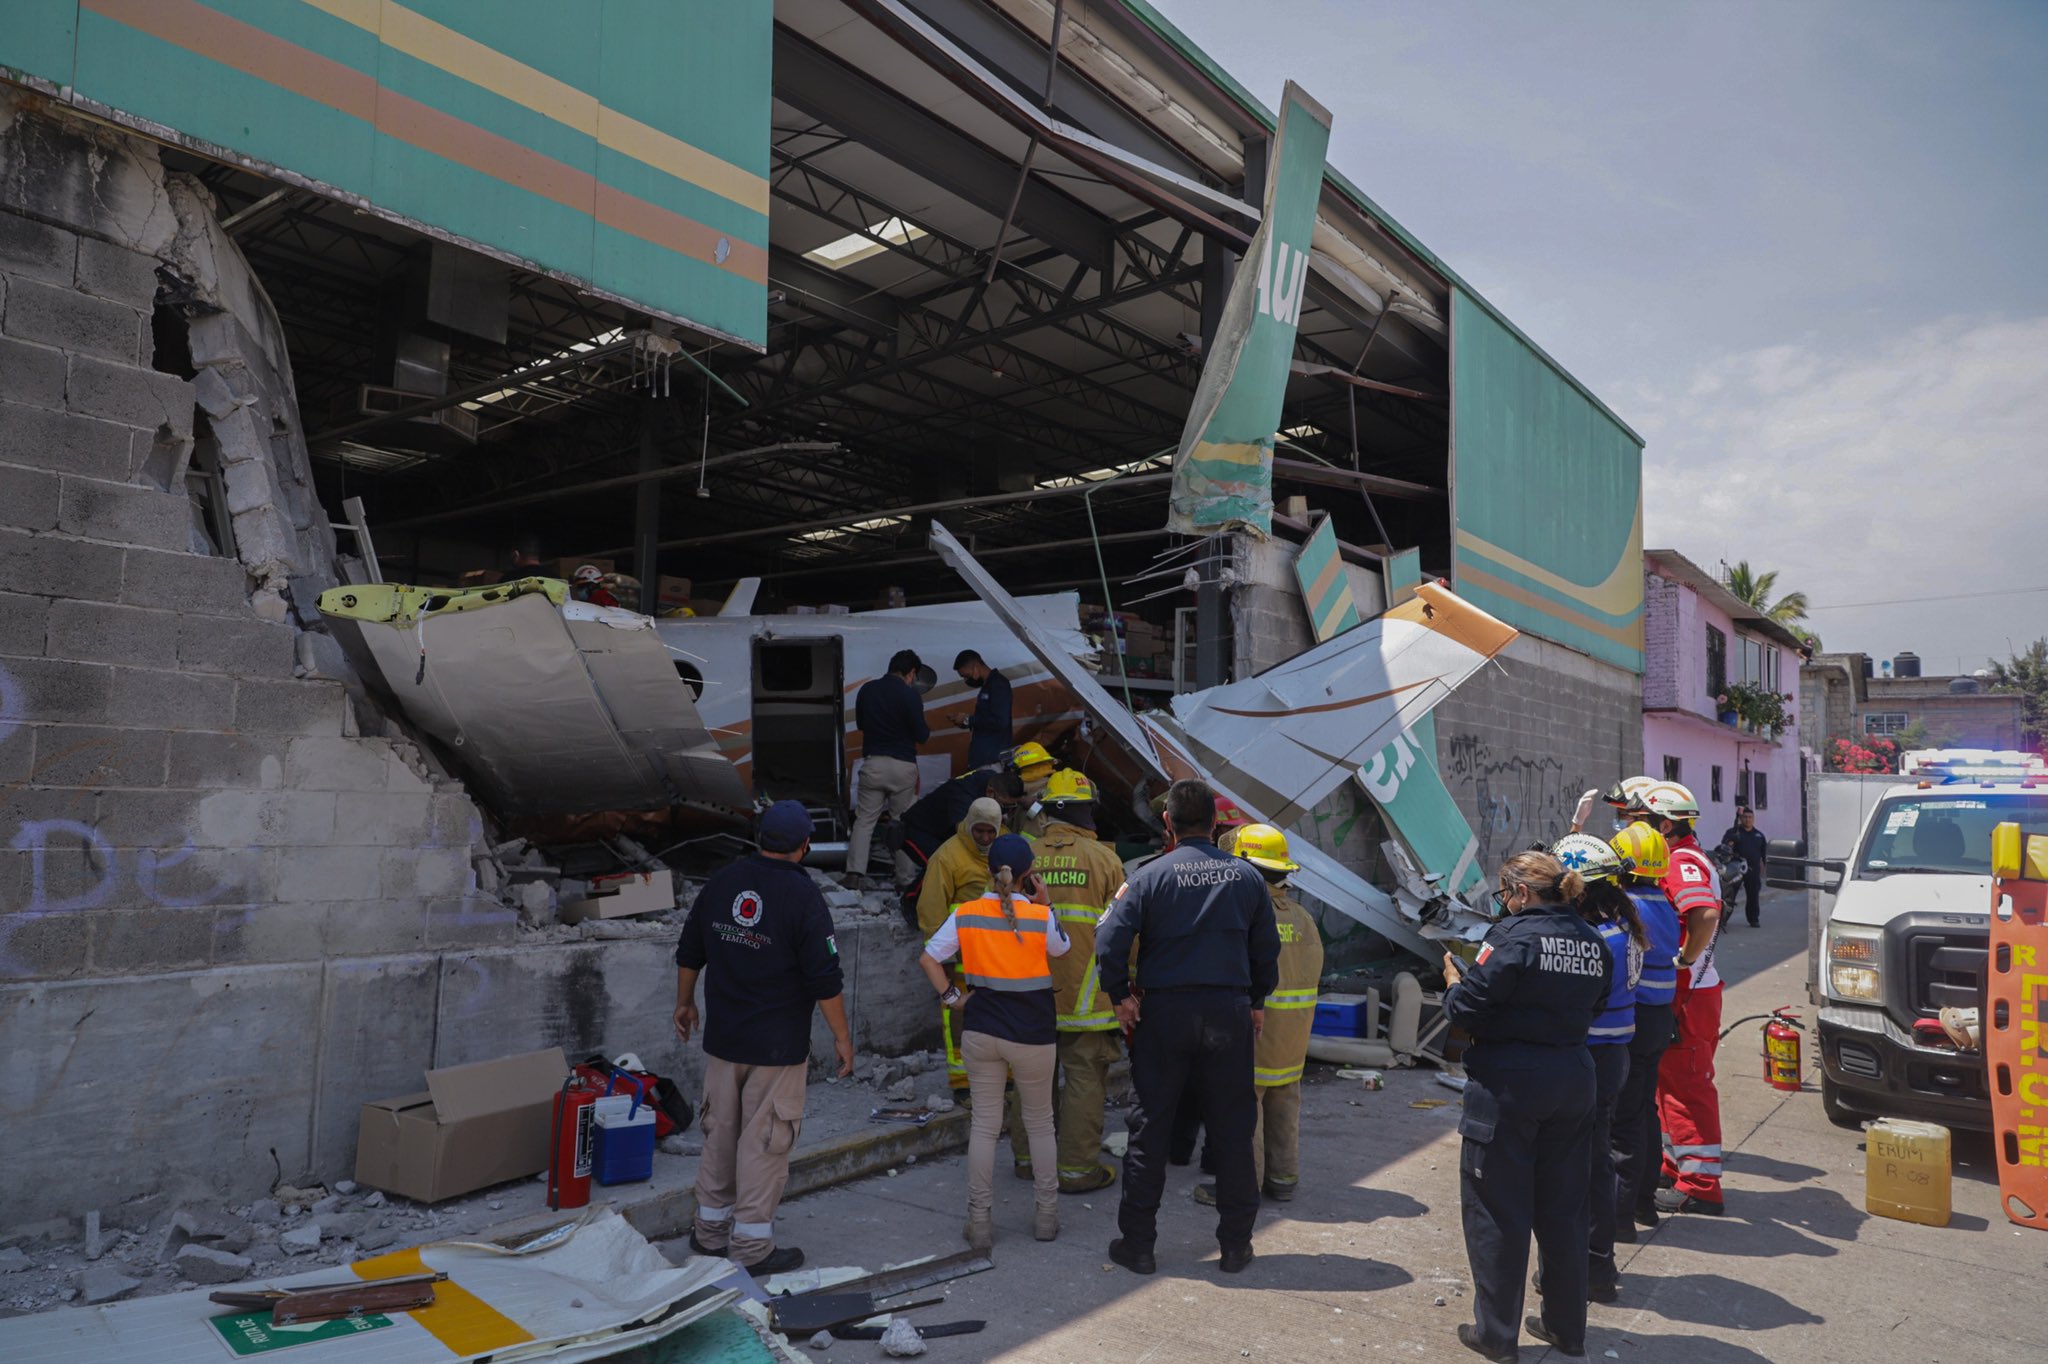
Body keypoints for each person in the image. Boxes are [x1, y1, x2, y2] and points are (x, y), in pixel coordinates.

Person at [1096, 779, 1280, 1277]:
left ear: (1167, 824)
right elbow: (1267, 951)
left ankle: (1138, 1245)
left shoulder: (1148, 876)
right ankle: (1236, 1246)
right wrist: (1256, 1000)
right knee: (1233, 1131)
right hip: (1228, 1013)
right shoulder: (1247, 879)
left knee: (1149, 1129)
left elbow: (1108, 939)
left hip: (1165, 1015)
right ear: (1216, 825)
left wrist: (1120, 997)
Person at [1442, 851, 1613, 1363]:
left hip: (1511, 1084)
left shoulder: (1512, 936)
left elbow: (1468, 1007)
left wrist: (1454, 980)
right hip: (1573, 1077)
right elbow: (1596, 1004)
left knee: (1497, 1208)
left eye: (1505, 893)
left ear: (1520, 892)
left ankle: (1496, 1334)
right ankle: (1566, 1329)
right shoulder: (1591, 939)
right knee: (1564, 1209)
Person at [673, 801, 854, 1274]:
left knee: (719, 1137)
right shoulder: (804, 897)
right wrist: (842, 1037)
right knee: (765, 1144)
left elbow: (690, 949)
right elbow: (825, 977)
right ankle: (753, 1249)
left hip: (724, 1040)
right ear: (804, 846)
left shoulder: (722, 882)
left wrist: (685, 1002)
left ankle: (709, 1234)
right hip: (777, 1047)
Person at [918, 834, 1071, 1250]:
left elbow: (929, 958)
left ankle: (980, 1223)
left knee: (985, 1126)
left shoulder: (967, 914)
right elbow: (1062, 949)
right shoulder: (1039, 917)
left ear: (988, 870)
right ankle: (1046, 1217)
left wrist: (953, 999)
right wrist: (1046, 903)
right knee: (1039, 1124)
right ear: (1028, 875)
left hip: (982, 1030)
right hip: (1033, 1036)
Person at [1194, 824, 1321, 1208]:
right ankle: (1282, 1180)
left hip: (1254, 1032)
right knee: (1284, 1101)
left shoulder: (1244, 913)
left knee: (1243, 1109)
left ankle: (1240, 1186)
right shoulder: (1302, 918)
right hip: (1293, 1036)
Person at [1015, 770, 1128, 1193]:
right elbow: (1122, 933)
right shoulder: (1104, 860)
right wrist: (1129, 986)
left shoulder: (1023, 857)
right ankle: (1078, 1171)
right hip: (1088, 999)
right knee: (1083, 1080)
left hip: (1029, 995)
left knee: (1032, 1079)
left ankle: (1027, 1162)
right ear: (1086, 812)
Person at [1546, 833, 1646, 1305]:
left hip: (1590, 1057)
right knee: (1595, 1161)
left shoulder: (1593, 938)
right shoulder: (1623, 926)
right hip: (1614, 1055)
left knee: (1579, 1169)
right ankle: (1597, 1265)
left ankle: (1588, 1268)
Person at [1635, 780, 1727, 1218]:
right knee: (1668, 1088)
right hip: (1691, 991)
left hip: (1690, 994)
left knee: (1687, 1089)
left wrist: (1681, 960)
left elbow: (1704, 913)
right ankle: (1677, 1169)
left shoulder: (1681, 861)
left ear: (1666, 824)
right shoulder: (1684, 855)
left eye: (1643, 821)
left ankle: (1701, 1186)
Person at [1607, 823, 1681, 1243]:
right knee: (1643, 1110)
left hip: (1633, 1021)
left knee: (1621, 1120)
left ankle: (1619, 1216)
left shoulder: (1626, 906)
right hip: (1658, 1020)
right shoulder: (1663, 903)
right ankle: (1643, 1201)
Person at [917, 797, 1007, 1091]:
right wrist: (942, 958)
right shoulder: (947, 856)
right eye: (978, 831)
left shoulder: (1006, 847)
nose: (984, 838)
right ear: (968, 825)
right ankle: (963, 1082)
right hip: (962, 957)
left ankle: (1005, 1079)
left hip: (1001, 955)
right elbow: (931, 909)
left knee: (1002, 1016)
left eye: (990, 832)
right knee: (959, 1019)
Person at [848, 649, 929, 889]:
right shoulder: (910, 695)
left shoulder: (867, 690)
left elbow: (861, 724)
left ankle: (854, 873)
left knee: (864, 821)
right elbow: (922, 735)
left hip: (873, 764)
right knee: (900, 821)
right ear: (911, 672)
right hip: (903, 766)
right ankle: (904, 878)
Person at [898, 770, 1025, 914]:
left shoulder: (994, 780)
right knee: (937, 865)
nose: (1008, 813)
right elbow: (966, 833)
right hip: (917, 829)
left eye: (1014, 807)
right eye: (1006, 807)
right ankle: (910, 900)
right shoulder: (963, 796)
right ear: (990, 793)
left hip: (943, 832)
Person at [951, 650, 1013, 769]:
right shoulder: (987, 686)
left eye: (966, 676)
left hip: (992, 759)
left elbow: (1000, 721)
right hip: (983, 757)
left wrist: (968, 719)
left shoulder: (998, 684)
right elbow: (985, 718)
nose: (966, 680)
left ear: (976, 667)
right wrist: (965, 721)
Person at [1717, 806, 1769, 928]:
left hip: (1752, 870)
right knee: (1729, 895)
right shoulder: (1733, 832)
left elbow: (1764, 854)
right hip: (1735, 869)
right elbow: (1723, 847)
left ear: (1753, 819)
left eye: (1750, 817)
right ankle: (1722, 920)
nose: (1747, 820)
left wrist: (1766, 869)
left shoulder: (1759, 835)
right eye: (1745, 817)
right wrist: (1729, 842)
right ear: (1741, 818)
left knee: (1753, 896)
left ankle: (1753, 919)